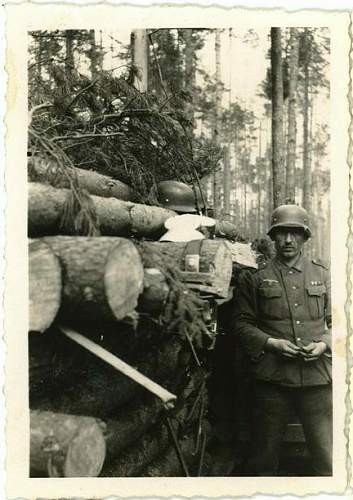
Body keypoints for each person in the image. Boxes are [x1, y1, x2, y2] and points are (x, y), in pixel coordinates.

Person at [233, 204, 332, 476]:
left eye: (295, 233)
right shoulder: (255, 276)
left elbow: (341, 322)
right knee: (262, 461)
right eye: (282, 233)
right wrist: (270, 343)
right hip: (272, 381)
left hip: (317, 380)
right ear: (273, 237)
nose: (288, 240)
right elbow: (241, 324)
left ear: (304, 236)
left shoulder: (322, 273)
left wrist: (324, 343)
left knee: (329, 459)